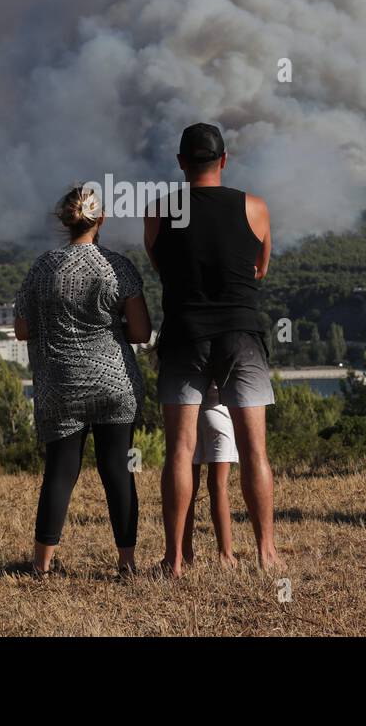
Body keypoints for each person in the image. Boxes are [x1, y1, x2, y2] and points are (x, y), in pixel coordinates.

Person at [145, 123, 281, 577]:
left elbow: (161, 265)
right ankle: (265, 551)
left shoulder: (160, 211)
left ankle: (174, 557)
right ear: (224, 160)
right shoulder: (255, 207)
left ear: (181, 163)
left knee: (180, 450)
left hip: (183, 332)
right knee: (254, 450)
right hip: (242, 333)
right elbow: (260, 268)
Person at [14, 186, 151, 576]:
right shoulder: (118, 267)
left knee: (60, 471)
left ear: (64, 220)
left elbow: (23, 329)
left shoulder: (43, 267)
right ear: (100, 219)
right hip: (114, 381)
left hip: (61, 384)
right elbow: (141, 333)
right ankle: (126, 564)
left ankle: (41, 565)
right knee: (118, 471)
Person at [182, 384, 238, 567]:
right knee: (218, 486)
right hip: (219, 412)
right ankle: (225, 554)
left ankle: (185, 554)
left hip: (186, 412)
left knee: (186, 488)